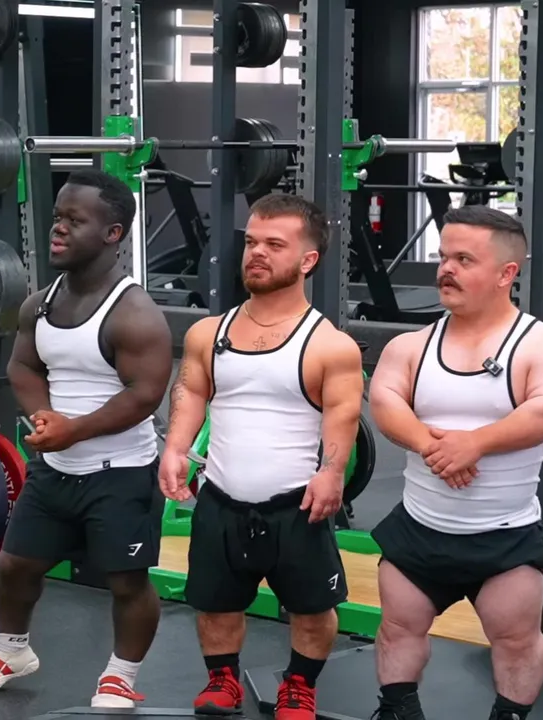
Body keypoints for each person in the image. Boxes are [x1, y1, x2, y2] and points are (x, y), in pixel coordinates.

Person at [0, 169, 174, 709]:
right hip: (55, 471)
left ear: (113, 234)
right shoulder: (41, 303)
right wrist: (45, 417)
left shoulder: (134, 313)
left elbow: (145, 395)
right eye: (57, 217)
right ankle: (11, 651)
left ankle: (120, 674)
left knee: (126, 581)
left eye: (75, 221)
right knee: (16, 565)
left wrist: (73, 429)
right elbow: (24, 366)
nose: (58, 228)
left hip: (120, 473)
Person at [365, 206, 543, 720]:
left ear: (507, 273)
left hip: (503, 538)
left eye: (464, 259)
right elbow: (384, 401)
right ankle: (397, 711)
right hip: (420, 530)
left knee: (516, 640)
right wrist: (435, 447)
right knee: (397, 629)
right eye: (444, 257)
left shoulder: (542, 350)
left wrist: (477, 444)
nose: (446, 269)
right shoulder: (411, 346)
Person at [160, 193, 365, 719]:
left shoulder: (330, 345)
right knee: (214, 603)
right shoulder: (209, 333)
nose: (257, 253)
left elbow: (342, 416)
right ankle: (222, 679)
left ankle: (299, 685)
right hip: (220, 499)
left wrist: (332, 474)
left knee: (314, 609)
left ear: (308, 260)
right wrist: (176, 448)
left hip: (296, 506)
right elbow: (191, 391)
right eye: (252, 242)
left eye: (275, 244)